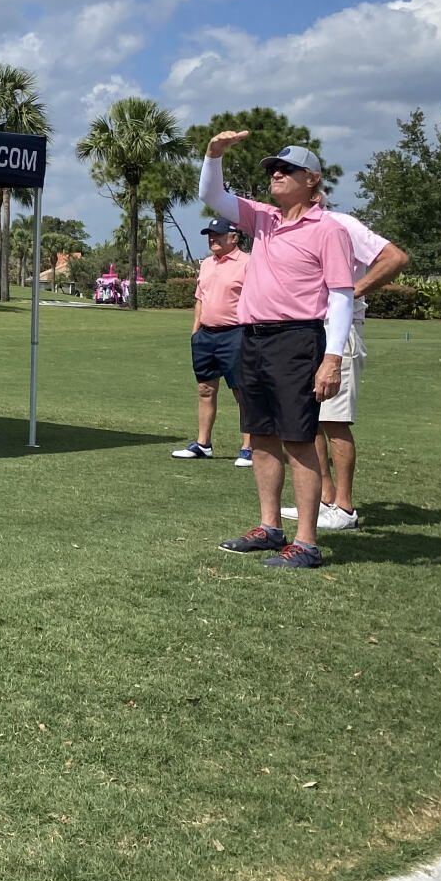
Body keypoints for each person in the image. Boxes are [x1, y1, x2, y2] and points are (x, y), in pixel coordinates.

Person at [199, 136, 355, 569]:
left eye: (286, 170)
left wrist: (333, 357)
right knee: (262, 434)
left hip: (297, 339)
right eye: (272, 170)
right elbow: (211, 195)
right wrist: (214, 155)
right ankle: (270, 527)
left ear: (313, 180)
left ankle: (306, 542)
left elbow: (341, 295)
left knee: (298, 437)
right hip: (252, 338)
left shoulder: (329, 230)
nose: (276, 175)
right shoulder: (264, 219)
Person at [282, 199, 408, 533]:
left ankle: (345, 506)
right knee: (314, 418)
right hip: (309, 331)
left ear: (315, 193)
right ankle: (325, 498)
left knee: (335, 420)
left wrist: (351, 292)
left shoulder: (342, 224)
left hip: (342, 332)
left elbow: (395, 258)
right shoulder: (298, 230)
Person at [172, 217, 254, 467]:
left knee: (242, 391)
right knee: (205, 389)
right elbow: (200, 298)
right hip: (206, 335)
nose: (212, 238)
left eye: (217, 234)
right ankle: (203, 444)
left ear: (233, 237)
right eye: (210, 234)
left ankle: (249, 447)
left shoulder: (248, 263)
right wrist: (195, 330)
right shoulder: (206, 264)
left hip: (236, 333)